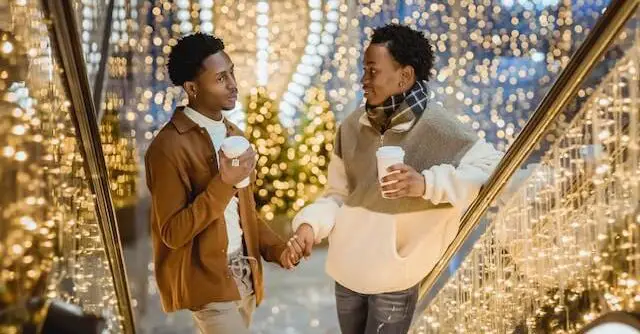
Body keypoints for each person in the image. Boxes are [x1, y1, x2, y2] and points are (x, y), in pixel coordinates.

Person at [287, 24, 503, 333]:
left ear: (405, 76)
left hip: (394, 279)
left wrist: (426, 184)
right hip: (347, 274)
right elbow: (336, 194)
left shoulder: (438, 127)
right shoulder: (350, 127)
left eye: (372, 71)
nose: (364, 80)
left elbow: (492, 167)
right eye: (364, 70)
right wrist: (310, 225)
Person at [144, 32, 301, 334]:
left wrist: (277, 250)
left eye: (231, 73)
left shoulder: (234, 134)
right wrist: (224, 183)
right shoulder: (168, 147)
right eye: (220, 78)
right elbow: (173, 233)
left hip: (244, 276)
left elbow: (245, 215)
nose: (232, 85)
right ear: (192, 88)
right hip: (209, 284)